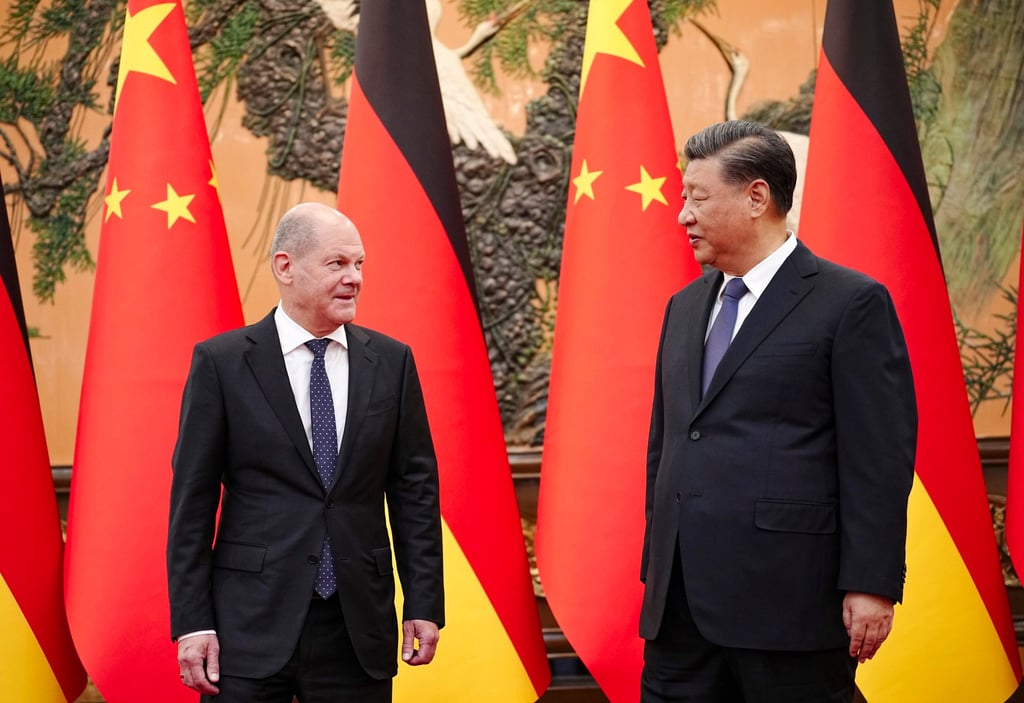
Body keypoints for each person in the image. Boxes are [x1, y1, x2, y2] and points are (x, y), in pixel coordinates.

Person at [639, 121, 916, 703]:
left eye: (698, 198)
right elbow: (668, 444)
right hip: (680, 611)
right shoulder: (683, 307)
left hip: (790, 605)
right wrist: (657, 566)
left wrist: (871, 582)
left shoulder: (850, 303)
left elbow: (878, 458)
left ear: (757, 197)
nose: (683, 215)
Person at [167, 202, 444, 702]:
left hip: (357, 626)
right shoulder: (222, 363)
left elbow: (415, 493)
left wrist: (424, 602)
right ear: (285, 266)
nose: (354, 278)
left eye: (359, 264)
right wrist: (193, 622)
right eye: (337, 263)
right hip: (249, 624)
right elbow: (192, 503)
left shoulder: (391, 361)